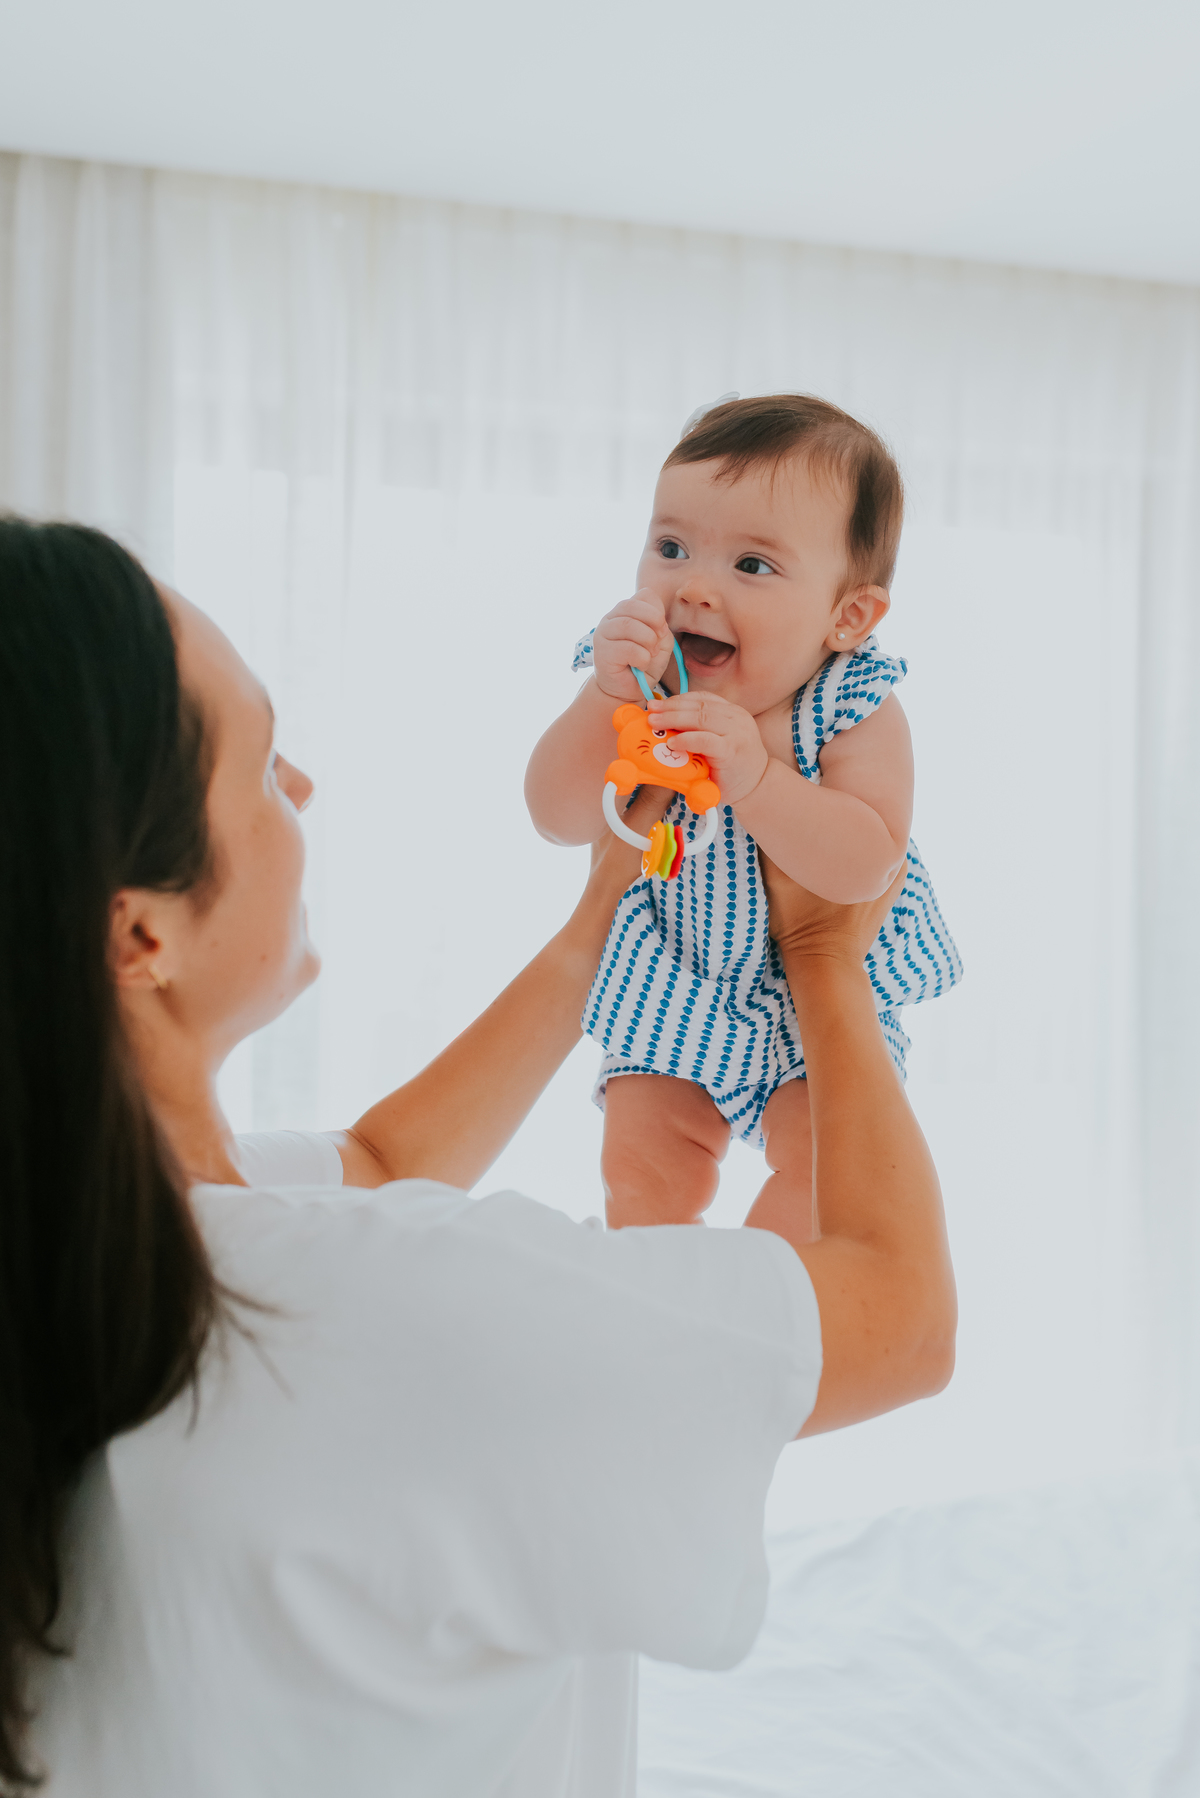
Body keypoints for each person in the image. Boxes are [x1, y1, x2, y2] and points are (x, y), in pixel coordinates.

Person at [0, 517, 955, 1798]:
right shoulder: (394, 1308)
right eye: (263, 765)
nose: (304, 790)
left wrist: (599, 916)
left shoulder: (88, 1227)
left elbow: (379, 1158)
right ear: (140, 934)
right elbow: (901, 1321)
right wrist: (831, 961)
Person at [525, 394, 962, 1239]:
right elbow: (556, 815)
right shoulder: (642, 677)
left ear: (849, 616)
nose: (692, 586)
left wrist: (757, 778)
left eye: (752, 566)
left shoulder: (854, 704)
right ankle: (661, 1289)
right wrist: (604, 697)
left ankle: (759, 1297)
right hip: (676, 970)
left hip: (819, 1001)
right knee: (641, 1167)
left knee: (824, 1169)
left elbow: (868, 862)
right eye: (671, 546)